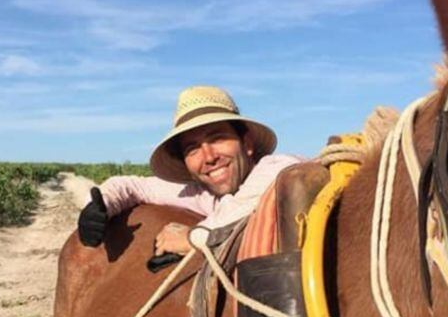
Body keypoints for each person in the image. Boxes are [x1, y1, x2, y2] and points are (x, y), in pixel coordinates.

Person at [77, 85, 303, 255]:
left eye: (217, 138)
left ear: (248, 143)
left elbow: (244, 207)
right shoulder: (201, 194)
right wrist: (102, 206)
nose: (209, 157)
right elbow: (133, 186)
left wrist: (191, 237)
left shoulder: (279, 170)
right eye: (192, 148)